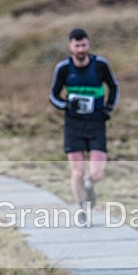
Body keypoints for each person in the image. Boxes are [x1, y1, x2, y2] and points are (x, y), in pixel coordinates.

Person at [49, 28, 119, 225]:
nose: (81, 49)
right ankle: (82, 209)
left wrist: (108, 109)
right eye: (77, 45)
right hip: (74, 125)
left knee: (96, 173)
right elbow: (53, 94)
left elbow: (113, 87)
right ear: (70, 47)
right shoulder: (63, 68)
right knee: (77, 172)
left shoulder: (100, 65)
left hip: (96, 123)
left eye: (84, 45)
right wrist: (65, 105)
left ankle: (89, 185)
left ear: (88, 45)